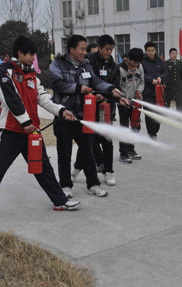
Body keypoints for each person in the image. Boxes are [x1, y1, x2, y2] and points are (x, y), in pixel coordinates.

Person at [0, 36, 80, 223]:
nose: (32, 59)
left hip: (32, 133)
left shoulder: (32, 76)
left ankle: (60, 201)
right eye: (30, 55)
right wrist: (25, 122)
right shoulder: (4, 72)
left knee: (43, 168)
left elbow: (44, 98)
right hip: (11, 131)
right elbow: (11, 99)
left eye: (33, 55)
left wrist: (61, 111)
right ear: (20, 53)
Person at [49, 34, 127, 199]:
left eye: (86, 49)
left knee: (88, 151)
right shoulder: (58, 64)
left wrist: (111, 89)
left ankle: (93, 184)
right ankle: (65, 186)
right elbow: (57, 84)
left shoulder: (86, 65)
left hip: (82, 116)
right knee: (65, 152)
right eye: (82, 49)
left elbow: (96, 81)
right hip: (64, 115)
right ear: (72, 49)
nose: (85, 52)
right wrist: (78, 88)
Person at [74, 34, 120, 186]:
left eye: (111, 50)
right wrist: (94, 94)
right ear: (99, 47)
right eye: (106, 49)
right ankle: (76, 170)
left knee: (107, 141)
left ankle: (109, 172)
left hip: (106, 109)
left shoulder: (114, 66)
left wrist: (110, 97)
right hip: (89, 107)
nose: (109, 52)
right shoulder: (89, 61)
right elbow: (88, 81)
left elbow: (114, 86)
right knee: (89, 142)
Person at [118, 48, 145, 163]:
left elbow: (142, 82)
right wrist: (123, 98)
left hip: (137, 101)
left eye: (137, 63)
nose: (135, 65)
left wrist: (139, 90)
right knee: (124, 128)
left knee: (135, 126)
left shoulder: (140, 67)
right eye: (134, 62)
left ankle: (131, 149)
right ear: (128, 59)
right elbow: (117, 86)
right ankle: (123, 154)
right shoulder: (120, 69)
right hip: (124, 102)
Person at [141, 41, 168, 139]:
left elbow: (165, 73)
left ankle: (155, 130)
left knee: (158, 113)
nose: (151, 53)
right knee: (149, 114)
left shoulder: (160, 61)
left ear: (155, 50)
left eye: (152, 50)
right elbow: (141, 75)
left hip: (159, 92)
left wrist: (161, 78)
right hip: (147, 91)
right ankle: (152, 134)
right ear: (145, 51)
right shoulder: (142, 62)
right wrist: (151, 80)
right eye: (149, 51)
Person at [164, 48, 182, 112]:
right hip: (169, 86)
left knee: (179, 104)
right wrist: (164, 82)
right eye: (173, 53)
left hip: (178, 86)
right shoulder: (166, 63)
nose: (174, 55)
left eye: (176, 53)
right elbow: (165, 74)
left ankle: (180, 118)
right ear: (170, 54)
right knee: (167, 103)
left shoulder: (179, 63)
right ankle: (165, 116)